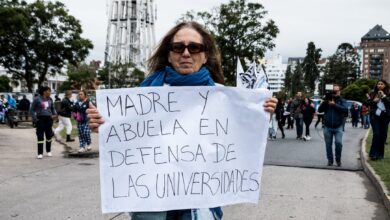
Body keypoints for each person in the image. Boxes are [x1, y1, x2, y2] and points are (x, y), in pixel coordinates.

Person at [86, 21, 277, 220]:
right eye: (178, 47)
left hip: (200, 202)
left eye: (194, 47)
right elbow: (127, 138)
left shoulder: (225, 99)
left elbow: (242, 141)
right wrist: (104, 125)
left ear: (204, 56)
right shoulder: (143, 95)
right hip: (151, 201)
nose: (186, 53)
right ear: (169, 54)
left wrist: (259, 116)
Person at [318, 84, 348, 166]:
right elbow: (319, 110)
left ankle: (338, 159)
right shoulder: (327, 100)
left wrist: (335, 105)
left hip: (338, 126)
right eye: (333, 91)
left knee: (338, 143)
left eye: (336, 91)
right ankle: (330, 160)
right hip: (327, 126)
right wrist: (325, 101)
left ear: (339, 91)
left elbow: (345, 110)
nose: (335, 92)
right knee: (328, 145)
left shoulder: (342, 100)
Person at [30, 86, 57, 159]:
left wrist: (55, 115)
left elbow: (53, 108)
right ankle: (40, 153)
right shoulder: (37, 99)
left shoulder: (50, 99)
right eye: (49, 91)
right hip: (40, 119)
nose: (50, 92)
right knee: (40, 136)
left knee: (49, 135)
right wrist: (35, 119)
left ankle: (48, 151)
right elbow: (32, 110)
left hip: (49, 119)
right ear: (44, 92)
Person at [367, 80, 390, 160]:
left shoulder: (388, 94)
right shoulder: (373, 93)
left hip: (385, 117)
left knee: (382, 136)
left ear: (385, 85)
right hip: (375, 117)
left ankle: (380, 154)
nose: (379, 85)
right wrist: (373, 101)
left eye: (381, 84)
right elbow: (368, 104)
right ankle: (373, 154)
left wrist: (383, 96)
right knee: (376, 134)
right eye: (378, 84)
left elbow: (388, 104)